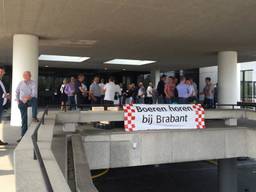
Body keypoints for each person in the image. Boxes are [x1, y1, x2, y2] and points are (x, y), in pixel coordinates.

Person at [16, 71, 38, 142]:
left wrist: (27, 97)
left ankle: (34, 116)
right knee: (24, 119)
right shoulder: (21, 83)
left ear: (30, 76)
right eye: (24, 75)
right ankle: (22, 136)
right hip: (22, 101)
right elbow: (17, 91)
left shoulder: (33, 83)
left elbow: (34, 93)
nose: (24, 76)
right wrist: (18, 100)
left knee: (34, 99)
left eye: (26, 75)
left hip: (30, 99)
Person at [0, 67, 9, 145]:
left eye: (2, 72)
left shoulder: (1, 81)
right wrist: (4, 95)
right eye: (0, 71)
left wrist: (6, 95)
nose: (1, 73)